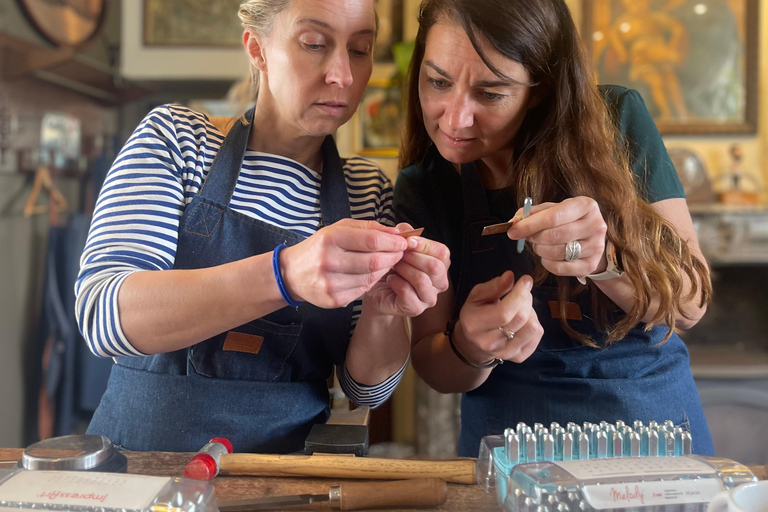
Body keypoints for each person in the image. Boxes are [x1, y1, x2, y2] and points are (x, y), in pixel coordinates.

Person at [75, 0, 450, 453]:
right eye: (314, 43)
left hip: (286, 477)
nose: (342, 76)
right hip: (140, 462)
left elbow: (366, 391)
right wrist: (285, 274)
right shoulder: (178, 140)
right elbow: (103, 316)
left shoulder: (365, 190)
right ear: (257, 48)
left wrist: (384, 312)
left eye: (360, 49)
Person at [394, 0, 713, 457]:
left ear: (540, 89)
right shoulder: (424, 186)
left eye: (490, 93)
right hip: (509, 443)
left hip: (646, 431)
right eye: (437, 81)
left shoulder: (616, 120)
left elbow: (689, 305)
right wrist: (470, 345)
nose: (454, 118)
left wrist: (606, 261)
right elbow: (435, 369)